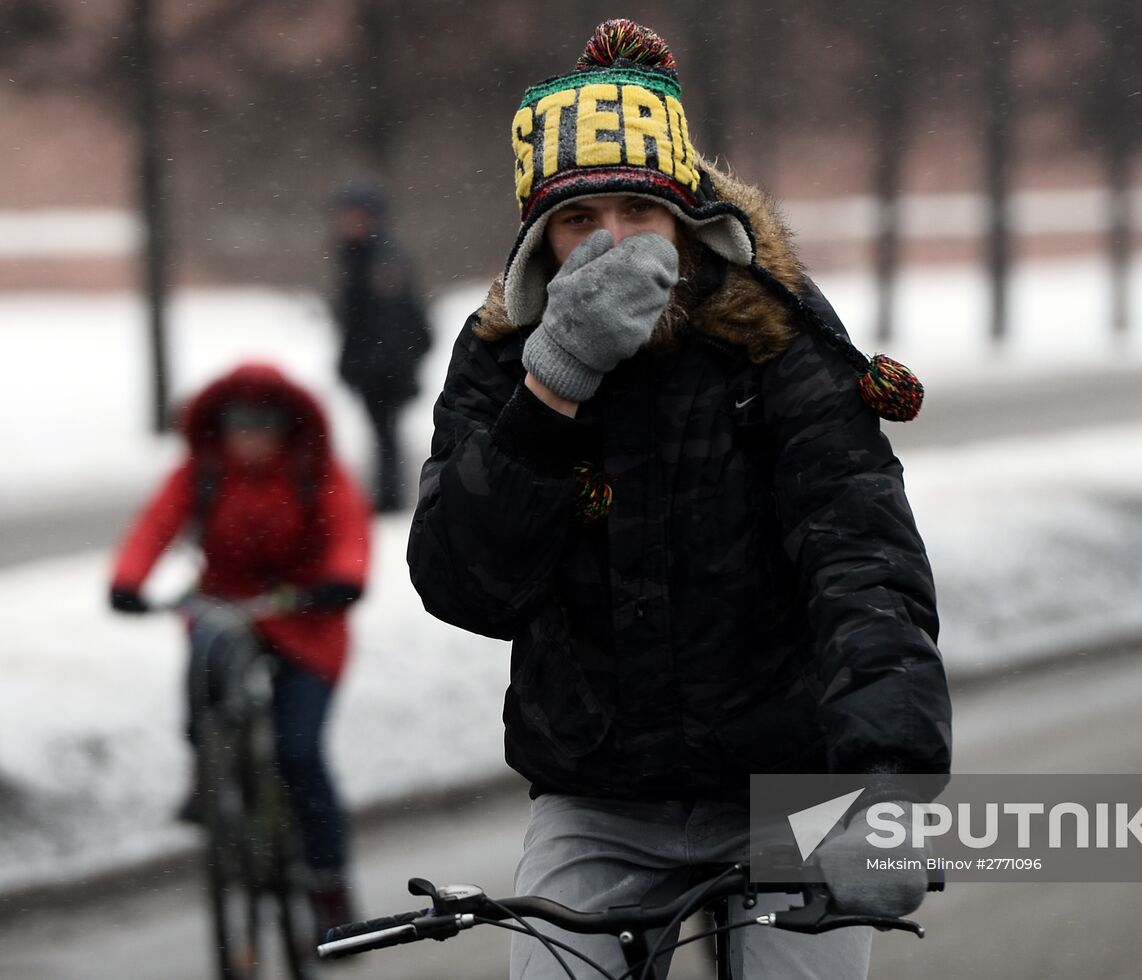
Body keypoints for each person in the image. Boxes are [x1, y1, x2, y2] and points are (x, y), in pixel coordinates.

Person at [407, 19, 951, 980]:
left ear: (688, 224)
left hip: (792, 788)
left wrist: (888, 781)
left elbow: (861, 559)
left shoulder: (776, 345)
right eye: (579, 220)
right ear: (540, 241)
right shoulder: (501, 358)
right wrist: (553, 388)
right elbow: (467, 586)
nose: (611, 244)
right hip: (599, 798)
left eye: (636, 211)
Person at [109, 361, 372, 932]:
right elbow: (154, 526)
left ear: (288, 425)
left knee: (299, 754)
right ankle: (207, 767)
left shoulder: (315, 471)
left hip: (308, 624)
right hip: (227, 613)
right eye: (238, 423)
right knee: (205, 657)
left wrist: (339, 581)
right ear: (219, 427)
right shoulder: (201, 472)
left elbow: (350, 531)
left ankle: (329, 885)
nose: (250, 437)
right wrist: (127, 582)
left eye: (264, 423)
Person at [330, 180, 433, 512]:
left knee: (386, 435)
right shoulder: (359, 256)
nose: (348, 222)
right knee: (383, 435)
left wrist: (382, 365)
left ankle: (390, 499)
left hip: (385, 370)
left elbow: (395, 319)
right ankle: (388, 495)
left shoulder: (382, 259)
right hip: (373, 367)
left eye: (355, 215)